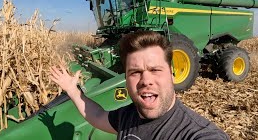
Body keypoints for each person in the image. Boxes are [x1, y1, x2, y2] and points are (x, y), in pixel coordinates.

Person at [50, 31, 230, 140]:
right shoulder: (128, 116)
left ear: (173, 76)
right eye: (135, 72)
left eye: (155, 70)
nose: (145, 80)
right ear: (126, 79)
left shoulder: (193, 133)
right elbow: (97, 115)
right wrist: (73, 90)